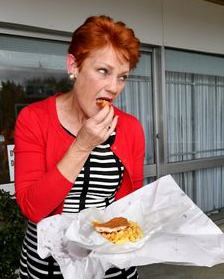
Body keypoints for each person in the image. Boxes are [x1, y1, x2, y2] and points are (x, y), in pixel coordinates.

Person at [14, 15, 145, 278]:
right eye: (103, 71)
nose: (114, 87)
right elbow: (32, 207)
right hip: (49, 264)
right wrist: (82, 145)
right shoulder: (33, 119)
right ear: (73, 65)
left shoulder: (130, 127)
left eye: (122, 77)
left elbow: (130, 205)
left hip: (110, 264)